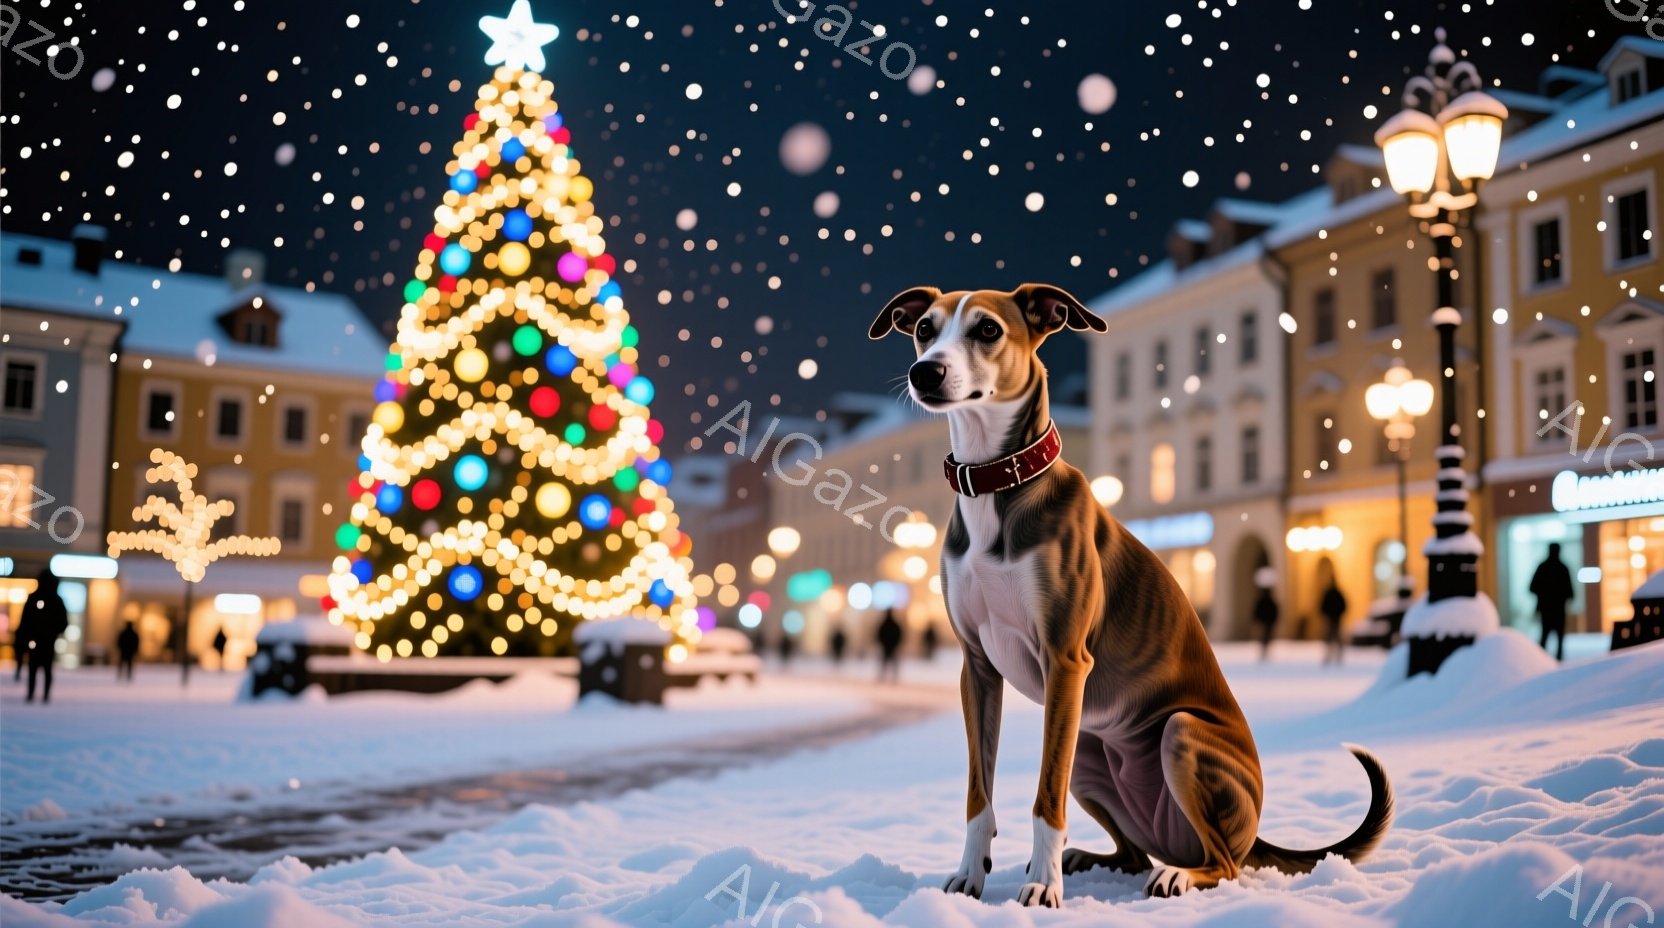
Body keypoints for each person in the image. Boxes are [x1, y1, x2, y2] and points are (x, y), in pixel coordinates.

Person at [20, 569, 69, 704]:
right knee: (45, 669)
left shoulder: (35, 598)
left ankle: (34, 694)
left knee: (35, 669)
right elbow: (63, 622)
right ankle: (43, 696)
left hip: (38, 640)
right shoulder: (56, 600)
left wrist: (25, 637)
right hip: (47, 640)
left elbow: (25, 621)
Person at [1530, 543, 1575, 662]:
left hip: (1547, 609)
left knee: (1546, 636)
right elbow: (1570, 592)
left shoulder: (1543, 567)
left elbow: (1532, 587)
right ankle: (1555, 661)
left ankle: (1542, 661)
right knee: (1556, 637)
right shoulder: (1562, 568)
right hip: (1557, 609)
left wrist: (1544, 594)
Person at [1320, 580, 1348, 666]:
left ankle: (1331, 655)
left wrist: (1325, 613)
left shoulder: (1329, 594)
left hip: (1332, 618)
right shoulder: (1337, 594)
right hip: (1335, 618)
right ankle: (1335, 655)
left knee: (1331, 637)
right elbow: (1344, 605)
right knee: (1335, 636)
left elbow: (1323, 605)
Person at [1252, 587, 1279, 662]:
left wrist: (1256, 620)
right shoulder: (1270, 601)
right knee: (1266, 636)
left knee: (1264, 637)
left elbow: (1257, 611)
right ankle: (1264, 650)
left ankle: (1264, 650)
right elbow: (1275, 611)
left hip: (1264, 622)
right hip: (1267, 622)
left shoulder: (1262, 601)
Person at [876, 608, 903, 683]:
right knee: (889, 662)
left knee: (886, 662)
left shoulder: (884, 624)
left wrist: (883, 643)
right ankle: (891, 677)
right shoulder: (893, 624)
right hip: (891, 646)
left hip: (888, 646)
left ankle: (884, 677)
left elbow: (879, 635)